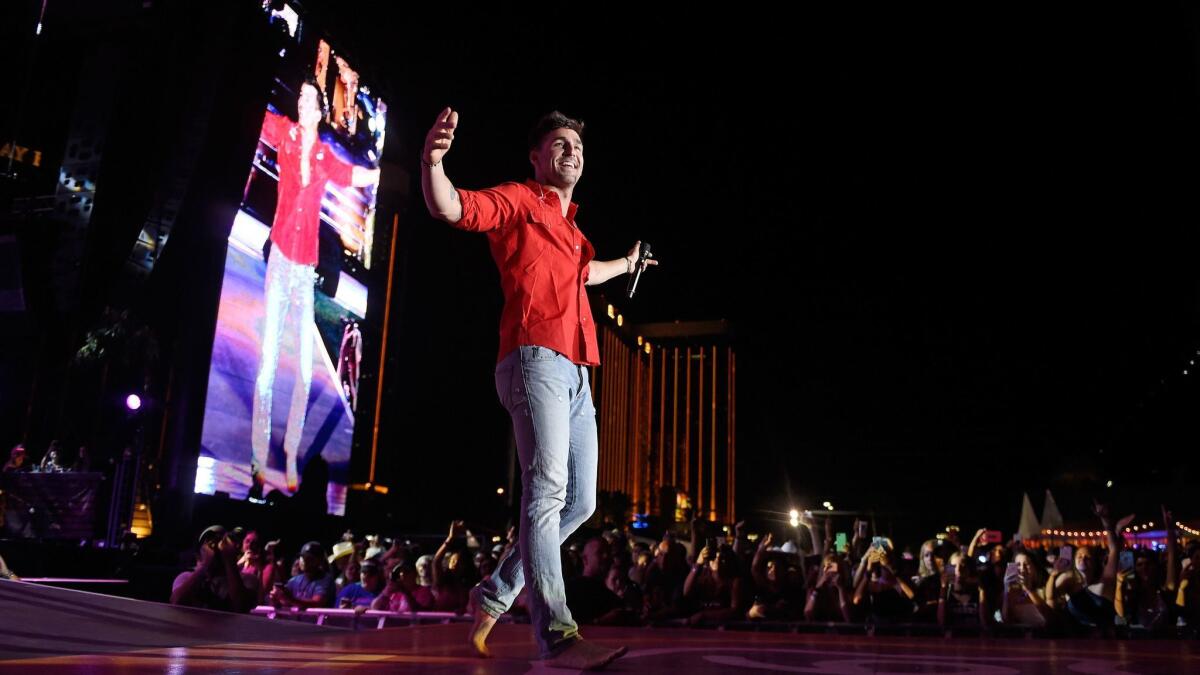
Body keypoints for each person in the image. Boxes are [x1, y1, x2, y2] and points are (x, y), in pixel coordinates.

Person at [421, 107, 654, 669]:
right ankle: (558, 635)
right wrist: (433, 161)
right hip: (534, 359)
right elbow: (455, 207)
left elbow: (585, 273)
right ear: (536, 156)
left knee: (581, 500)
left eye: (577, 145)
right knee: (546, 489)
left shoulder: (573, 230)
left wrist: (627, 263)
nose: (571, 151)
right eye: (559, 143)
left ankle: (496, 593)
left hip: (577, 370)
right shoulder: (520, 199)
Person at [251, 77, 380, 494]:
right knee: (268, 361)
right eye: (301, 98)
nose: (304, 104)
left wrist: (384, 172)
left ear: (320, 110)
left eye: (310, 100)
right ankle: (257, 456)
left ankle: (289, 457)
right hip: (281, 260)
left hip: (304, 270)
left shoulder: (324, 157)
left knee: (305, 373)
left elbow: (353, 174)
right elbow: (258, 118)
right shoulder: (284, 133)